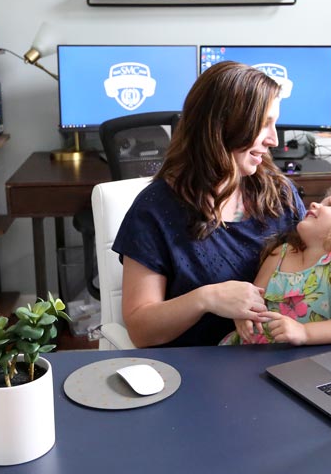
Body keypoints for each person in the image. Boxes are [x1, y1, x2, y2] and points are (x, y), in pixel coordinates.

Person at [113, 61, 306, 348]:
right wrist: (208, 298)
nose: (274, 140)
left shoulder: (278, 194)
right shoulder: (155, 209)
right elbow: (141, 329)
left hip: (276, 360)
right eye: (264, 123)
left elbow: (323, 264)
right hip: (194, 370)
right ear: (225, 125)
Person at [220, 180, 331, 346]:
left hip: (301, 360)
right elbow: (254, 298)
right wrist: (245, 314)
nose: (314, 204)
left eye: (330, 205)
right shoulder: (281, 252)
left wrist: (304, 332)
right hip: (247, 350)